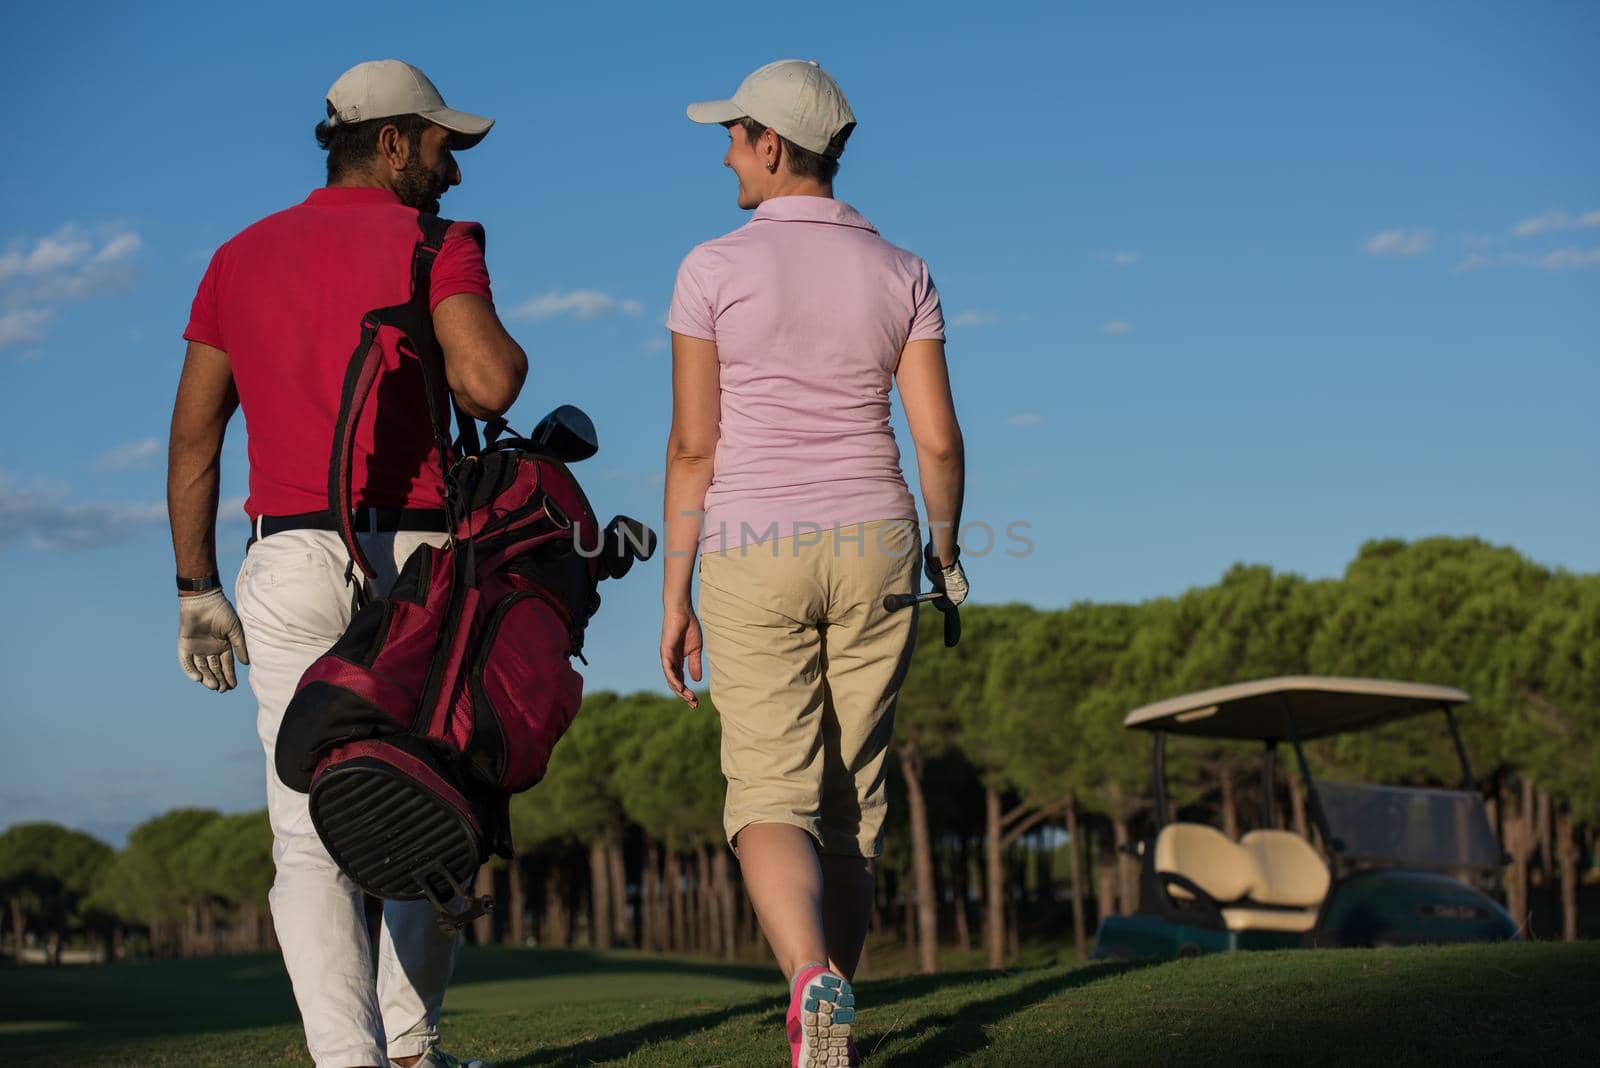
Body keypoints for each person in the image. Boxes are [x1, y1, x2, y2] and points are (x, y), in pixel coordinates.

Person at [166, 59, 525, 1068]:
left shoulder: (237, 256)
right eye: (444, 146)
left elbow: (195, 436)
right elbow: (490, 382)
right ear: (396, 141)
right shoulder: (438, 242)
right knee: (440, 799)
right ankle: (410, 1047)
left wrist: (195, 590)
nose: (454, 169)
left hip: (286, 558)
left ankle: (351, 1062)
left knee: (305, 835)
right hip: (414, 560)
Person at [659, 59, 969, 1068]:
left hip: (754, 541)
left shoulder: (711, 266)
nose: (724, 153)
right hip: (877, 536)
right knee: (854, 800)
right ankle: (832, 991)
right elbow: (938, 443)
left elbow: (693, 447)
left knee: (766, 793)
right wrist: (947, 555)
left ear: (774, 147)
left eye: (734, 136)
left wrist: (676, 594)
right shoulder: (902, 270)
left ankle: (809, 982)